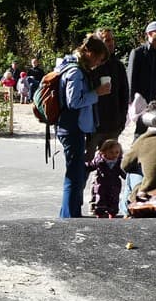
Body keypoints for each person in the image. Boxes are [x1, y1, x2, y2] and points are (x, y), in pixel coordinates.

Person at [55, 34, 111, 218]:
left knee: (76, 173)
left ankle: (69, 214)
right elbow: (74, 102)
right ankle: (70, 217)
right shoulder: (75, 72)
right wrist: (97, 93)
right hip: (72, 128)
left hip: (71, 127)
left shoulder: (72, 67)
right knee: (74, 176)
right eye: (98, 58)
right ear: (88, 52)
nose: (98, 63)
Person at [87, 28, 130, 160]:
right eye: (107, 40)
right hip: (93, 126)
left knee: (110, 166)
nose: (111, 43)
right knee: (86, 163)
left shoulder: (118, 66)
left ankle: (101, 181)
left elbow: (124, 94)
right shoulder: (91, 66)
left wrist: (122, 120)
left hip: (113, 125)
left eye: (112, 40)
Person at [88, 138, 126, 218]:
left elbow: (123, 173)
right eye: (111, 152)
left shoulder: (119, 162)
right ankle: (100, 213)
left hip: (114, 185)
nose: (114, 155)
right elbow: (91, 165)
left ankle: (112, 213)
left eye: (117, 152)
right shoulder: (99, 161)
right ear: (104, 152)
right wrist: (84, 166)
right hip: (101, 185)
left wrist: (127, 174)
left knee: (114, 200)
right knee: (100, 199)